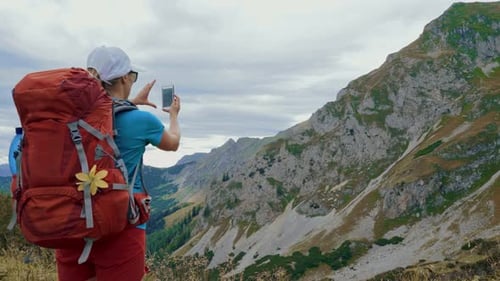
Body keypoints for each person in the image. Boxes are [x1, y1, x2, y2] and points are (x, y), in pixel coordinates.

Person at [55, 46, 181, 281]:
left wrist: (132, 101)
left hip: (71, 226)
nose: (133, 80)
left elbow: (101, 117)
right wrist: (173, 115)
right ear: (125, 77)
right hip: (122, 227)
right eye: (132, 76)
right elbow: (172, 143)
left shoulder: (71, 119)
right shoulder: (141, 120)